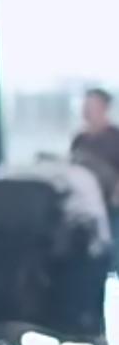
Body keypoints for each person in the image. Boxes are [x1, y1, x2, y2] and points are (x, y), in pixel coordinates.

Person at [70, 87, 119, 271]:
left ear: (104, 108)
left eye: (91, 105)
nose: (86, 110)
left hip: (112, 208)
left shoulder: (115, 137)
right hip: (87, 209)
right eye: (85, 105)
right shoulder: (79, 139)